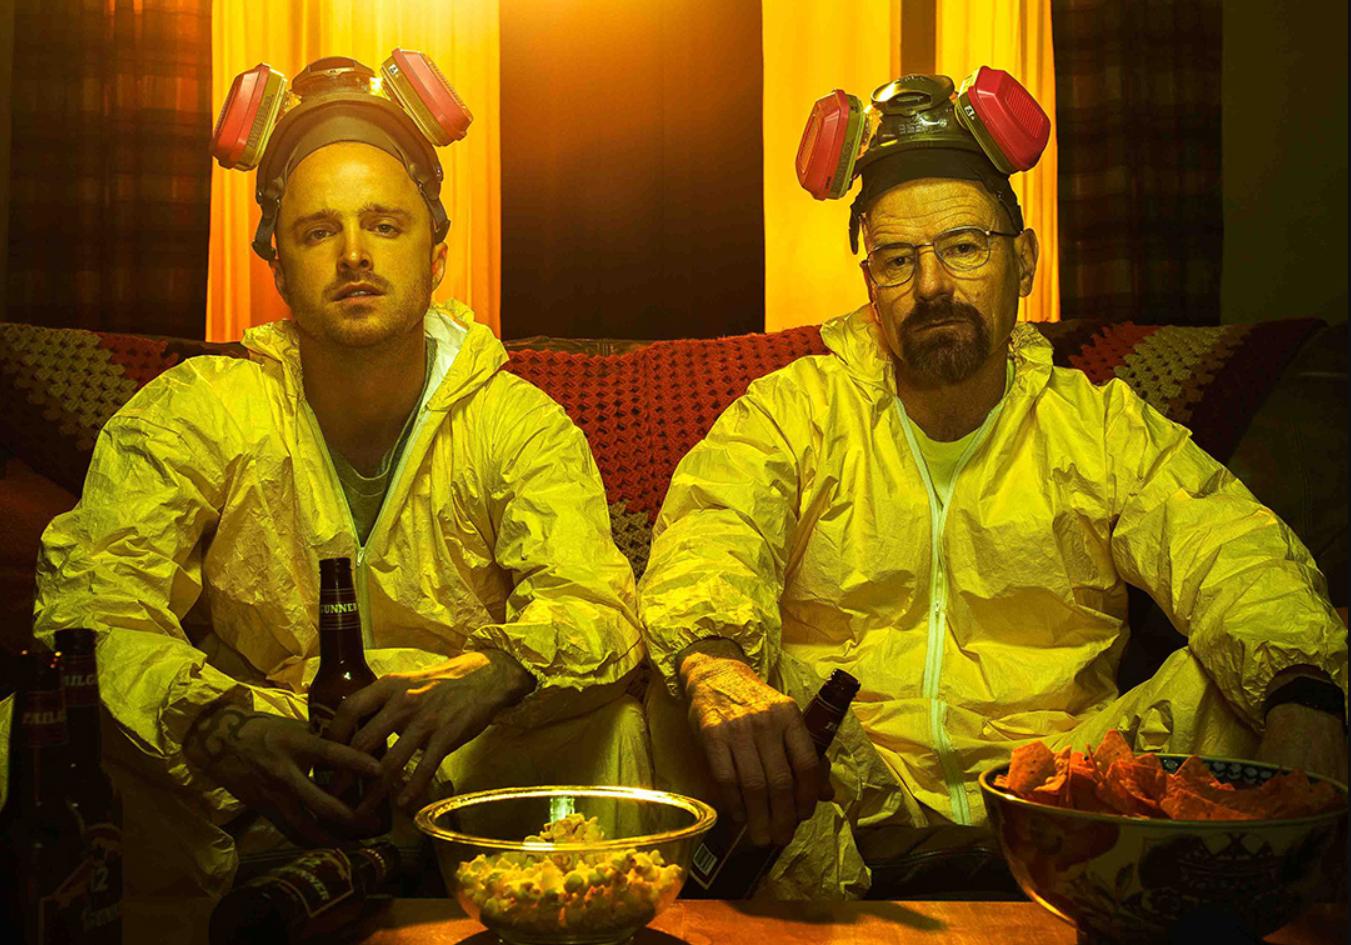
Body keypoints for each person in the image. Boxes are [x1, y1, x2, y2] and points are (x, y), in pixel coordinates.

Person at [638, 70, 1348, 898]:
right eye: (897, 259)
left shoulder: (1098, 426)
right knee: (681, 685)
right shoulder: (794, 409)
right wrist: (719, 669)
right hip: (837, 796)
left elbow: (1230, 551)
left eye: (964, 247)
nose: (931, 285)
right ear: (870, 286)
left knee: (1279, 681)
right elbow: (710, 535)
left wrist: (1303, 694)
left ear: (1025, 260)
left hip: (1063, 797)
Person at [20, 54, 646, 919]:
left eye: (384, 225)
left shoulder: (515, 421)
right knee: (28, 731)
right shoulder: (201, 407)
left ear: (436, 253)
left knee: (618, 729)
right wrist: (216, 724)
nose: (354, 255)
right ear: (277, 265)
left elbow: (594, 603)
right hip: (261, 743)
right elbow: (94, 601)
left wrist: (497, 670)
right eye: (318, 232)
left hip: (461, 750)